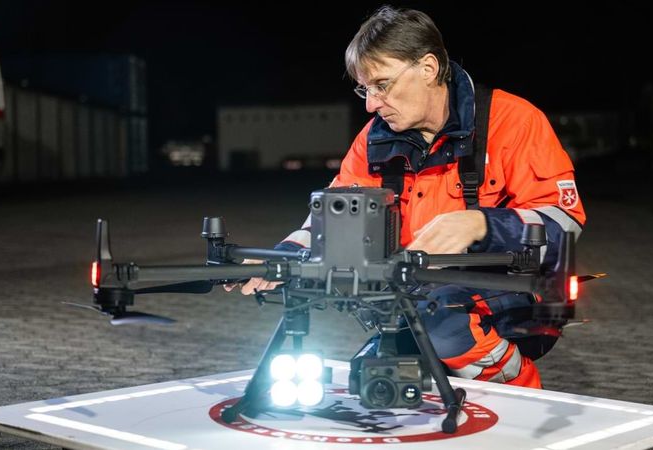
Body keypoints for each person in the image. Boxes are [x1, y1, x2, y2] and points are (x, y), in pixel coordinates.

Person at [228, 5, 585, 389]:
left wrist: (481, 224)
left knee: (443, 324)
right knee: (373, 379)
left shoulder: (513, 121)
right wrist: (279, 256)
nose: (370, 103)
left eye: (382, 85)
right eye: (364, 89)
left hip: (511, 293)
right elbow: (332, 217)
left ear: (428, 69)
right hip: (419, 297)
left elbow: (564, 223)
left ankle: (523, 397)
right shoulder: (373, 141)